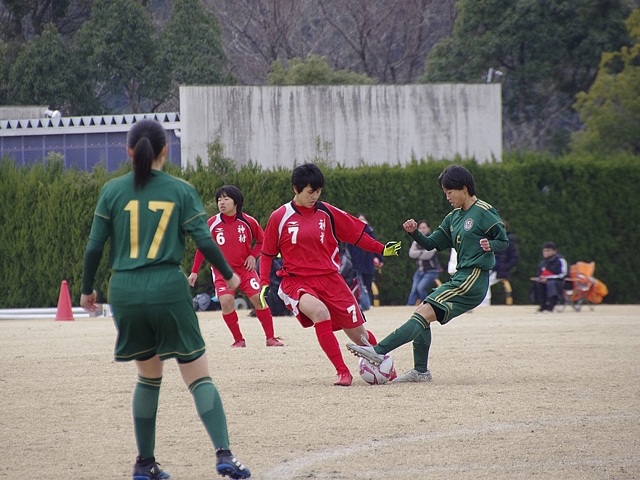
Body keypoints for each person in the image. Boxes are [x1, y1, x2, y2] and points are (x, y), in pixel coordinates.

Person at [79, 119, 251, 480]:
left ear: (128, 151)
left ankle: (145, 463)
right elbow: (204, 242)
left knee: (148, 377)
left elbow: (95, 246)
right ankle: (224, 454)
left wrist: (86, 289)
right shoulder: (181, 190)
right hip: (167, 288)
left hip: (125, 290)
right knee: (197, 375)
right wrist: (232, 276)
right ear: (164, 152)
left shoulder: (112, 191)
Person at [347, 164, 508, 383]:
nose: (447, 197)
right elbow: (432, 243)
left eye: (449, 192)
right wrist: (414, 234)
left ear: (463, 188)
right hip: (461, 277)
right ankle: (420, 371)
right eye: (445, 193)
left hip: (474, 278)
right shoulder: (453, 218)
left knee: (423, 311)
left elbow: (503, 240)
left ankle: (379, 350)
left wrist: (491, 244)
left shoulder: (484, 211)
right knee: (423, 310)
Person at [258, 163, 401, 386]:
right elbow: (266, 253)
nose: (314, 196)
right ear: (295, 189)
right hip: (296, 281)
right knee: (320, 312)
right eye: (310, 192)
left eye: (318, 191)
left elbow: (355, 236)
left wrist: (381, 248)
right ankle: (342, 372)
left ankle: (387, 368)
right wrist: (263, 283)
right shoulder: (280, 216)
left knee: (360, 336)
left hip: (331, 280)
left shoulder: (327, 212)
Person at [188, 185, 283, 348]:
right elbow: (203, 247)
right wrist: (194, 272)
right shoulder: (212, 223)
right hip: (222, 272)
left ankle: (270, 338)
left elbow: (263, 240)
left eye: (226, 199)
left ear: (236, 202)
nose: (221, 203)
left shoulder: (248, 221)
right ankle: (239, 339)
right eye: (219, 199)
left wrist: (253, 256)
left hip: (245, 271)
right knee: (225, 302)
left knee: (258, 300)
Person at [346, 214, 384, 310]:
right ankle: (360, 303)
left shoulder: (370, 232)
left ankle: (369, 303)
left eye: (363, 220)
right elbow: (348, 248)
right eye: (359, 220)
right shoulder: (352, 232)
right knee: (358, 284)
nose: (362, 221)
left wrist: (380, 259)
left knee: (368, 283)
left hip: (368, 263)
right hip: (356, 263)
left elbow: (375, 246)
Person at [406, 220, 442, 305]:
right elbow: (411, 254)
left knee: (420, 288)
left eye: (424, 228)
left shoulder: (433, 239)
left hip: (431, 271)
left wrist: (418, 252)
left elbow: (428, 255)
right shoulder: (416, 240)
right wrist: (422, 251)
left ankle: (426, 305)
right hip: (420, 270)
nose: (422, 230)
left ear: (429, 228)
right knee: (414, 290)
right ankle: (408, 307)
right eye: (420, 228)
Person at [530, 241, 567, 313]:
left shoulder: (561, 260)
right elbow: (539, 274)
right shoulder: (542, 262)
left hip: (558, 281)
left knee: (551, 283)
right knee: (537, 284)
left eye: (548, 250)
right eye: (544, 251)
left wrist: (549, 278)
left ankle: (551, 306)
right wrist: (538, 278)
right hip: (545, 281)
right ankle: (542, 305)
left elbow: (563, 274)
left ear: (554, 251)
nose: (546, 252)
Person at [488, 220, 519, 302]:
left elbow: (514, 257)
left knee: (485, 283)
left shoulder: (508, 240)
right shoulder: (491, 239)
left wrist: (505, 267)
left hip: (499, 270)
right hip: (491, 267)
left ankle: (484, 304)